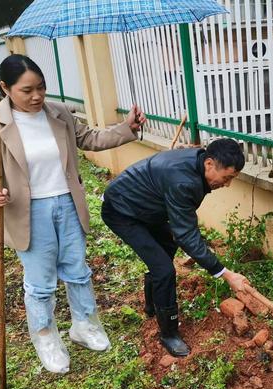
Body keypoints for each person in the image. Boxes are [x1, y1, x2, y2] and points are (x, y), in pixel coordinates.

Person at [0, 54, 146, 374]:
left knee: (77, 271)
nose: (37, 96)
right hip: (28, 211)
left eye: (41, 87)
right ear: (5, 87)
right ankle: (46, 337)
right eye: (27, 90)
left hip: (67, 204)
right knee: (40, 283)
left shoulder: (58, 113)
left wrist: (127, 128)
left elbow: (90, 138)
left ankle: (84, 325)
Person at [101, 138, 249, 357]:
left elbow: (181, 232)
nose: (227, 184)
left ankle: (152, 305)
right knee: (164, 270)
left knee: (167, 245)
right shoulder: (184, 182)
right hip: (122, 211)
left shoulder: (197, 161)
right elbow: (187, 235)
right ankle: (168, 333)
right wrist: (225, 273)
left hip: (144, 206)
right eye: (226, 178)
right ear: (209, 164)